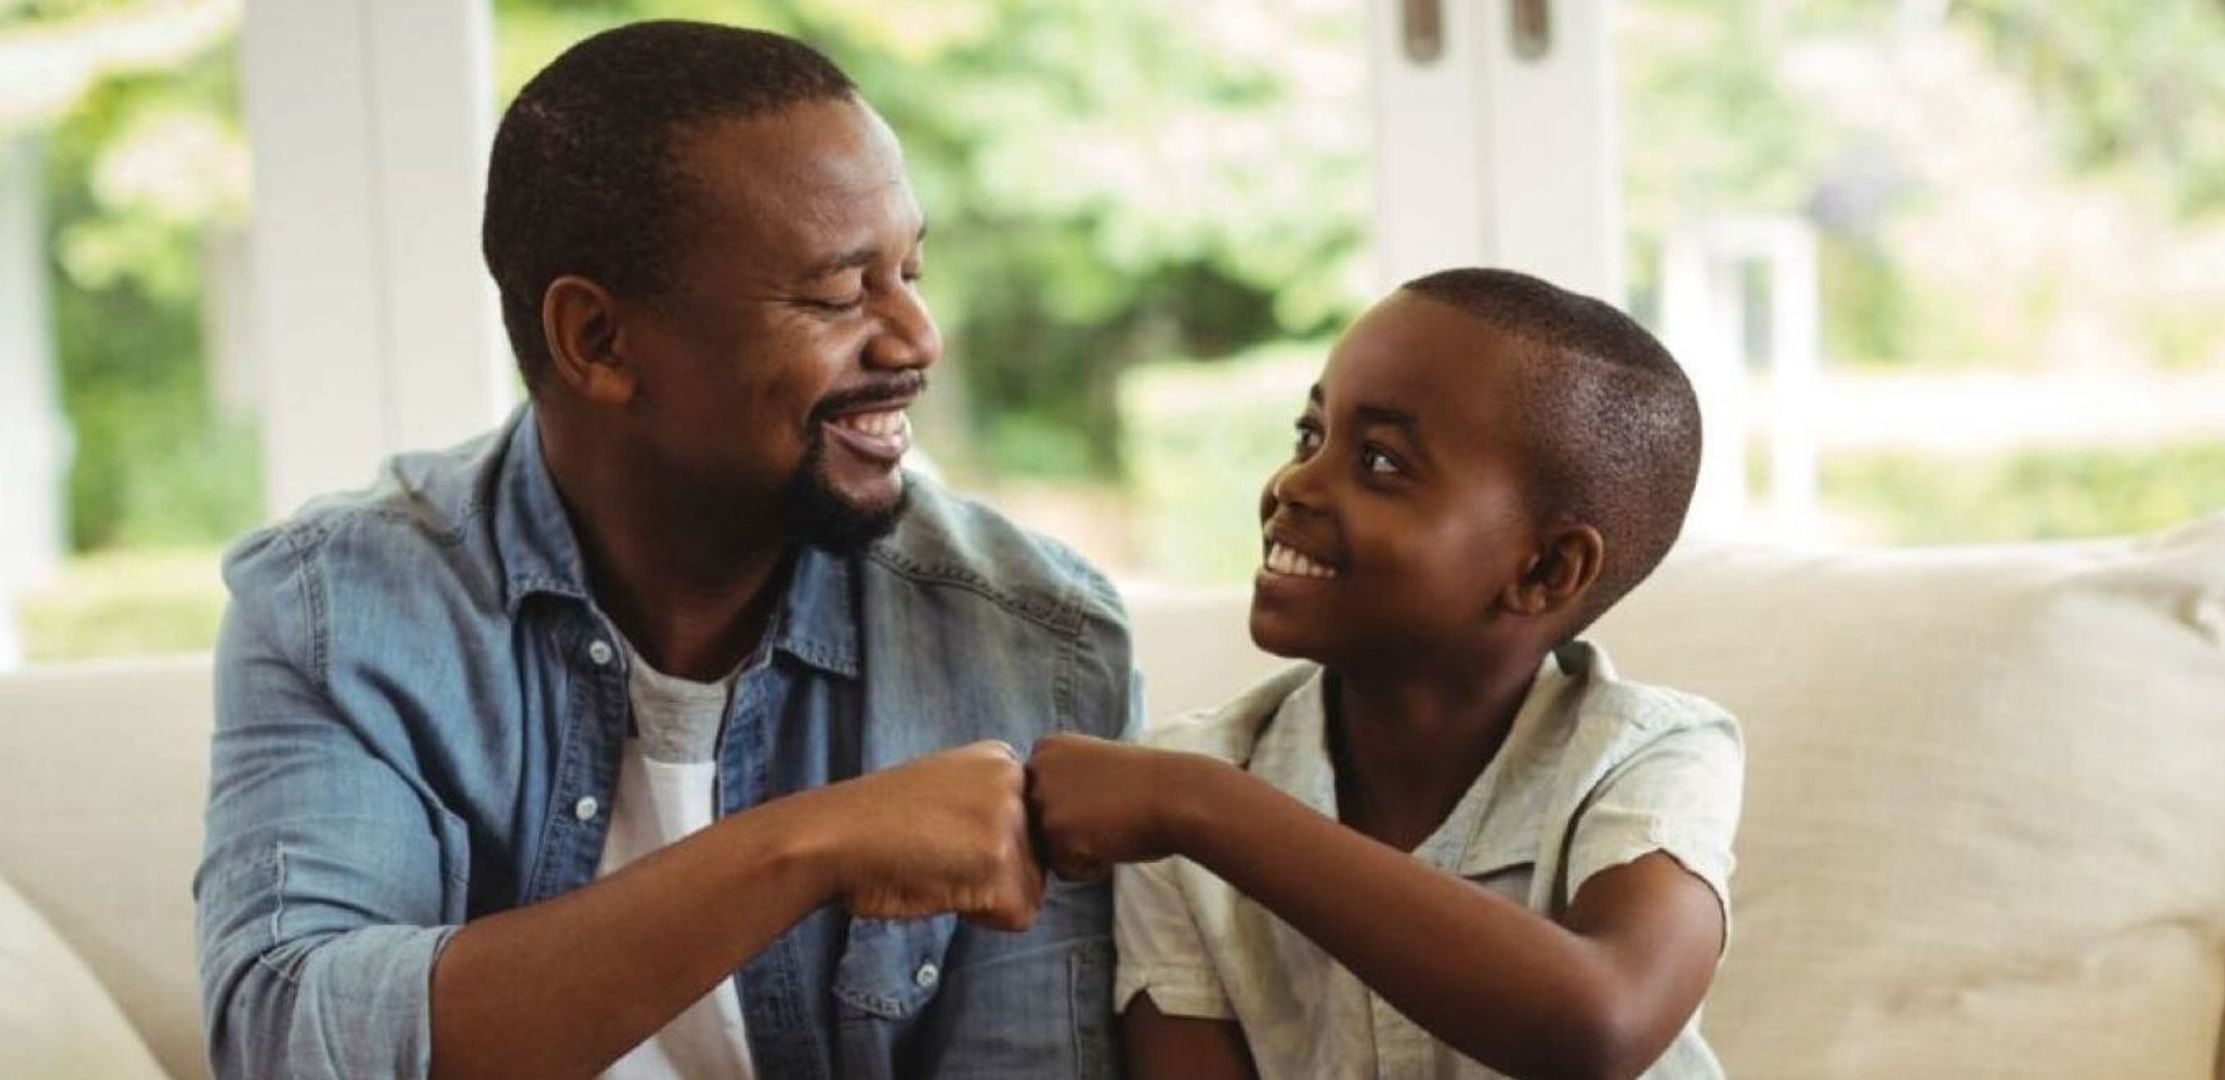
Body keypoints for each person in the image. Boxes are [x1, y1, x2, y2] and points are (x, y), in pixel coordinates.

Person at [194, 22, 1135, 1080]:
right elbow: (289, 1042)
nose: (916, 338)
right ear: (597, 340)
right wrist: (805, 848)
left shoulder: (1025, 640)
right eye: (834, 294)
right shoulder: (342, 609)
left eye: (909, 268)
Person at [1028, 268, 1745, 1079]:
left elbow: (1603, 1022)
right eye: (1309, 436)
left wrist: (1196, 806)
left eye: (1378, 461)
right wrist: (1185, 801)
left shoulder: (1649, 757)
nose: (1294, 484)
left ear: (1545, 568)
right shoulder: (1187, 788)